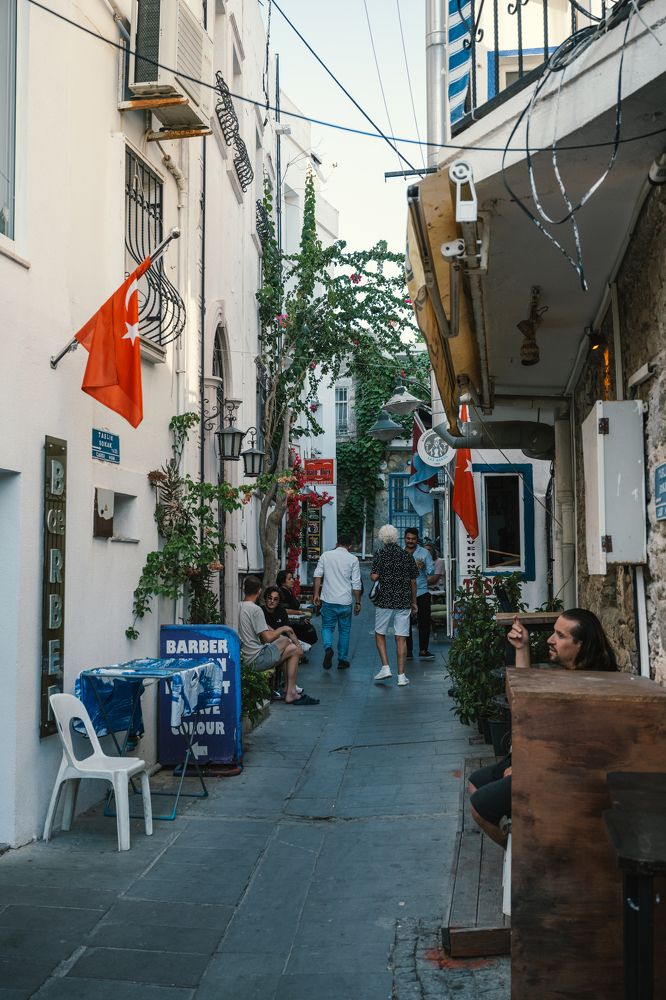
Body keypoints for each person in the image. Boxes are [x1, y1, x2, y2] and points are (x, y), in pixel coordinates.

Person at [468, 608, 618, 847]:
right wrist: (522, 648)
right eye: (553, 632)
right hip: (544, 759)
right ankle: (522, 838)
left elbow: (575, 750)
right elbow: (524, 703)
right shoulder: (570, 673)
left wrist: (526, 768)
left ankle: (524, 855)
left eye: (560, 635)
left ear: (581, 645)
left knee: (479, 808)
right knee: (475, 782)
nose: (550, 639)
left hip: (564, 774)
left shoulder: (592, 688)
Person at [237, 576, 319, 706]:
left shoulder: (238, 606)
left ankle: (290, 691)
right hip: (256, 659)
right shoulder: (256, 610)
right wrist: (283, 629)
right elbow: (268, 638)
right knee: (288, 643)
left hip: (245, 656)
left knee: (292, 648)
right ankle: (290, 692)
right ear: (259, 591)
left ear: (243, 589)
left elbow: (265, 629)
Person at [370, 524, 418, 687]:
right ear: (397, 537)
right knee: (401, 637)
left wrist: (379, 574)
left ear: (382, 538)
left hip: (384, 600)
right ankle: (401, 676)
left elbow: (374, 577)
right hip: (403, 600)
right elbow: (413, 581)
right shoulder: (406, 555)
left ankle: (385, 667)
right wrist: (414, 602)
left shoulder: (380, 554)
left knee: (379, 633)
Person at [312, 532, 362, 670]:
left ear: (337, 543)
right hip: (345, 602)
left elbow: (317, 575)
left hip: (328, 600)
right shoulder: (353, 559)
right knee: (344, 631)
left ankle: (328, 648)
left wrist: (316, 594)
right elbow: (356, 583)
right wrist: (358, 602)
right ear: (350, 546)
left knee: (327, 627)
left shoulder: (326, 556)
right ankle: (342, 660)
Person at [403, 527, 437, 660]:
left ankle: (423, 650)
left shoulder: (424, 553)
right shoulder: (400, 553)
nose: (410, 541)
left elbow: (431, 571)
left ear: (417, 539)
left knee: (424, 621)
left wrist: (424, 567)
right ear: (404, 538)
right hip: (404, 592)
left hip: (422, 591)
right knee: (405, 623)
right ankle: (408, 651)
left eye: (413, 539)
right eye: (408, 538)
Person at [276, 569, 319, 653]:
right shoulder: (282, 593)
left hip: (295, 619)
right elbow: (283, 610)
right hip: (288, 621)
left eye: (292, 578)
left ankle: (300, 651)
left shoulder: (289, 591)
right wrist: (299, 613)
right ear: (282, 581)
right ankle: (298, 652)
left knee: (309, 627)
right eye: (289, 579)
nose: (292, 580)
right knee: (307, 630)